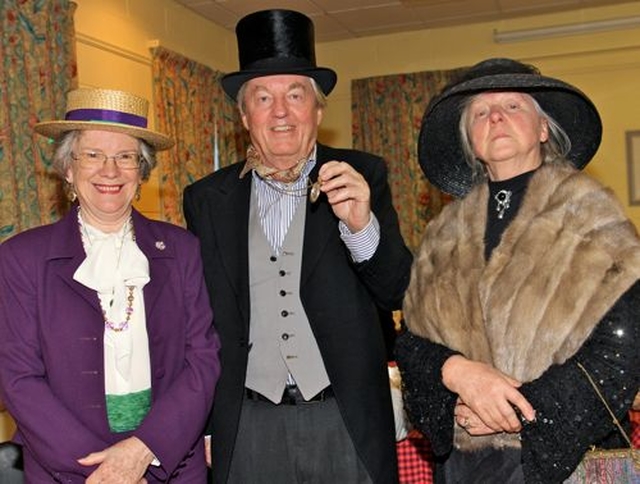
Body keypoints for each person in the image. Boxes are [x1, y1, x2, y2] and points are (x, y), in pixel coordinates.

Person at [183, 9, 412, 484]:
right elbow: (200, 322)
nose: (281, 111)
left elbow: (398, 291)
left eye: (295, 94)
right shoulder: (206, 199)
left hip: (345, 417)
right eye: (263, 98)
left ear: (318, 109)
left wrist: (361, 225)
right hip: (248, 425)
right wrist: (206, 426)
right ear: (245, 116)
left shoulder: (362, 175)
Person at [395, 57, 640, 483]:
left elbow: (622, 348)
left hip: (562, 460)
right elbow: (412, 346)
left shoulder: (593, 219)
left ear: (543, 128)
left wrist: (515, 408)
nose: (496, 117)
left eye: (513, 106)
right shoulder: (441, 236)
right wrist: (456, 374)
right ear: (470, 141)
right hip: (463, 466)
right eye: (480, 113)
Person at [0, 88, 221, 483]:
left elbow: (202, 360)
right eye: (93, 155)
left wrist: (143, 450)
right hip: (69, 470)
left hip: (167, 463)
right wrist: (106, 470)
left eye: (126, 157)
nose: (110, 170)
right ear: (68, 167)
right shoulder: (21, 258)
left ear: (142, 171)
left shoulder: (183, 249)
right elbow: (18, 378)